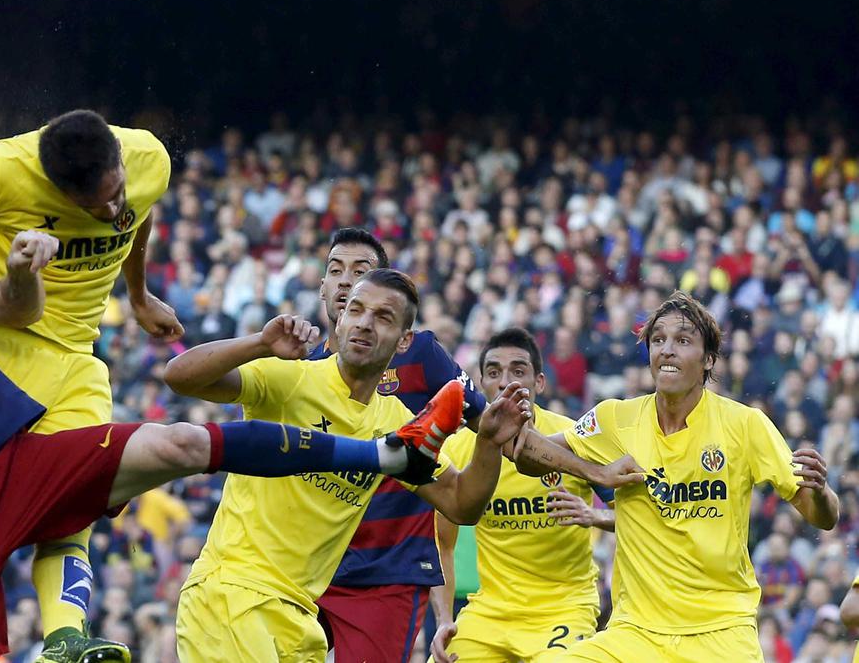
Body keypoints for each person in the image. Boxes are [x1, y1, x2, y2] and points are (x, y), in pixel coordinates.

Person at [0, 155, 458, 663]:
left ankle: (383, 454)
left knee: (176, 445)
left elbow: (9, 308)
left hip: (9, 462)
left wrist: (19, 269)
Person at [164, 268, 610, 662]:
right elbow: (181, 375)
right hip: (233, 594)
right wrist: (259, 343)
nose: (363, 322)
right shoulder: (291, 378)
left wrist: (489, 444)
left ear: (403, 342)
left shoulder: (395, 421)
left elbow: (460, 504)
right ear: (339, 319)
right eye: (356, 309)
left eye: (382, 316)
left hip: (296, 618)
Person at [0, 109, 184, 661]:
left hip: (80, 360)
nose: (110, 210)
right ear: (55, 186)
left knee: (74, 503)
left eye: (116, 192)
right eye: (93, 205)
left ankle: (64, 640)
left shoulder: (148, 157)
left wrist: (137, 295)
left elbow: (139, 213)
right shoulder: (1, 170)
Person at [508, 290, 839, 661]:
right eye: (658, 339)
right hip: (636, 633)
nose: (667, 349)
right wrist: (595, 470)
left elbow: (821, 517)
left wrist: (822, 493)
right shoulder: (615, 419)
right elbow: (528, 455)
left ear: (708, 359)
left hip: (722, 630)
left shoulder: (745, 424)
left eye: (683, 340)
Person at [306, 228, 490, 663]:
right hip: (312, 563)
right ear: (323, 288)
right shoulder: (301, 369)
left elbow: (490, 425)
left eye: (361, 272)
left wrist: (590, 470)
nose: (347, 281)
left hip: (386, 572)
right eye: (336, 271)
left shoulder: (420, 355)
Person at [432, 327, 615, 663]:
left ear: (539, 383)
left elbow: (638, 515)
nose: (506, 382)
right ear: (481, 383)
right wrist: (444, 619)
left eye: (518, 371)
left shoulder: (574, 437)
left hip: (563, 607)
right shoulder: (457, 450)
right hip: (490, 613)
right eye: (494, 372)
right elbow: (441, 544)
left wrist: (596, 516)